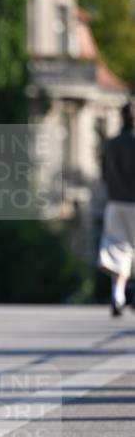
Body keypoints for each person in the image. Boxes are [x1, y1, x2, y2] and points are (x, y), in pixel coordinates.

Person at [98, 100, 135, 315]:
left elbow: (103, 174)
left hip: (115, 201)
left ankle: (118, 293)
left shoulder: (111, 144)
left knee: (117, 247)